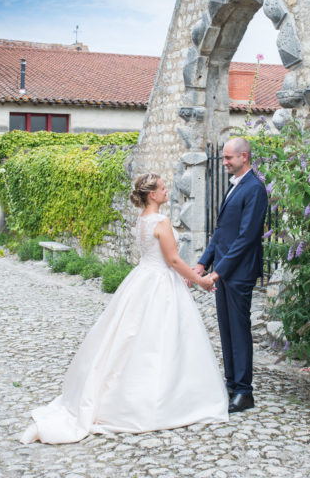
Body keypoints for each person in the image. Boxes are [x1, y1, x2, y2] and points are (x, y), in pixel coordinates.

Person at [20, 173, 228, 444]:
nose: (167, 191)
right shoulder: (161, 221)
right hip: (160, 284)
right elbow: (174, 260)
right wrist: (199, 279)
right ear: (152, 194)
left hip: (143, 279)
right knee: (161, 340)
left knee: (132, 339)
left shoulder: (142, 220)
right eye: (163, 188)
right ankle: (162, 400)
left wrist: (184, 273)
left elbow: (164, 259)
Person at [194, 138, 268, 414]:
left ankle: (244, 392)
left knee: (238, 330)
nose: (224, 162)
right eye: (223, 158)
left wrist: (218, 271)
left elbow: (246, 237)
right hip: (225, 270)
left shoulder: (255, 189)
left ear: (244, 157)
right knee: (225, 330)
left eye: (228, 158)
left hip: (239, 272)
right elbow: (222, 232)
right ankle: (230, 384)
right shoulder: (234, 186)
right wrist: (203, 264)